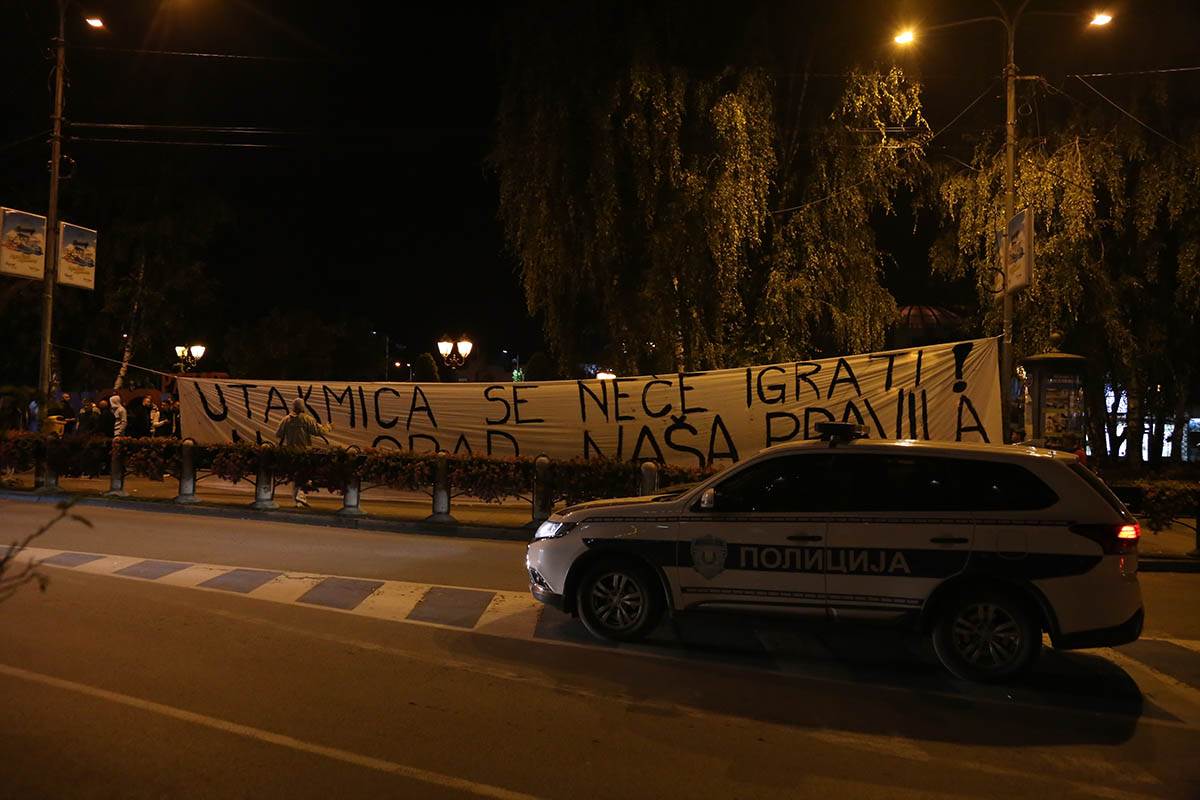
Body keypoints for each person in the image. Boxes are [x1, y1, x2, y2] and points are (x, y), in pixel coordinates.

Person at [275, 398, 330, 507]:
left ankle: (298, 501)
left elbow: (279, 434)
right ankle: (300, 496)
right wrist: (328, 427)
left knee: (296, 476)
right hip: (304, 453)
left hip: (291, 453)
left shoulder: (286, 420)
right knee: (305, 475)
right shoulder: (307, 419)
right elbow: (319, 431)